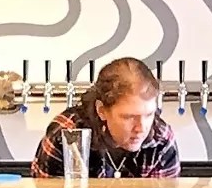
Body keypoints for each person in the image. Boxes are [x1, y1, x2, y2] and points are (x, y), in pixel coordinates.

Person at [29, 56, 180, 179]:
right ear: (101, 110)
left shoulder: (161, 140)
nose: (141, 128)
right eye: (129, 117)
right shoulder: (66, 135)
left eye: (149, 115)